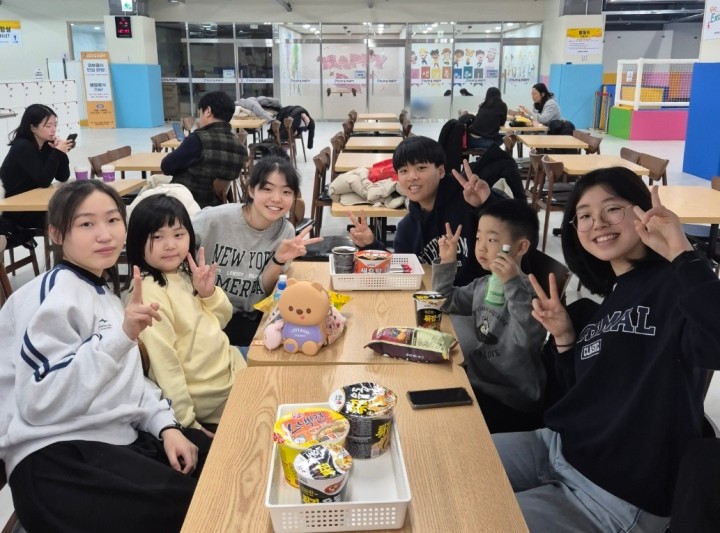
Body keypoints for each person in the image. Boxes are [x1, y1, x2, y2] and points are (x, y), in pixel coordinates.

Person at [493, 167, 720, 532]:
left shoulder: (676, 282)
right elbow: (587, 391)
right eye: (584, 215)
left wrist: (682, 252)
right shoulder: (617, 292)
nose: (597, 222)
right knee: (445, 464)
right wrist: (565, 339)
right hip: (560, 447)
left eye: (612, 208)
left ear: (642, 211)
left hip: (613, 496)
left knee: (472, 517)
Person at [0, 180, 211, 533]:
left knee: (225, 462)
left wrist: (166, 426)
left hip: (115, 441)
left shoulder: (106, 298)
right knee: (207, 507)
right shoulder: (49, 296)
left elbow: (129, 379)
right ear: (56, 234)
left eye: (113, 220)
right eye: (86, 224)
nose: (105, 235)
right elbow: (39, 401)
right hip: (56, 461)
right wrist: (121, 337)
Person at [126, 194, 247, 437]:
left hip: (231, 366)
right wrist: (188, 424)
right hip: (212, 395)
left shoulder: (183, 273)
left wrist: (208, 293)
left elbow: (223, 320)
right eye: (157, 237)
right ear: (138, 242)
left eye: (178, 234)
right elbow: (164, 365)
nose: (170, 245)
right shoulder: (149, 293)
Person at [433, 199, 546, 433]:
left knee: (444, 427)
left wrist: (512, 284)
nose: (482, 248)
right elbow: (445, 301)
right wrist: (447, 261)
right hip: (479, 382)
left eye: (492, 240)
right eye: (478, 238)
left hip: (512, 399)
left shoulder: (530, 294)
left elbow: (528, 340)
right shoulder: (483, 284)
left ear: (521, 247)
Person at [192, 156, 322, 347]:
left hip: (249, 319)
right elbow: (173, 239)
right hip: (206, 314)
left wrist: (278, 260)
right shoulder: (214, 219)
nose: (276, 198)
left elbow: (261, 294)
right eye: (267, 189)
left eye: (286, 191)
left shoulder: (285, 231)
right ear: (251, 190)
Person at [348, 136, 500, 287]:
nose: (412, 177)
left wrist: (486, 204)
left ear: (441, 171)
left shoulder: (469, 202)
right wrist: (370, 245)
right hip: (433, 296)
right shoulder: (407, 228)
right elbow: (401, 268)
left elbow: (510, 232)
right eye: (403, 171)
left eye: (421, 168)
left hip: (481, 297)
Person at [161, 90, 247, 209]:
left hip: (183, 204)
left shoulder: (197, 140)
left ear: (207, 111)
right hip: (214, 207)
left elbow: (166, 166)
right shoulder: (240, 148)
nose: (199, 118)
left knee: (152, 183)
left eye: (200, 113)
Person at [0, 103, 73, 229]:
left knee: (72, 210)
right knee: (68, 216)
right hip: (16, 210)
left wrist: (61, 153)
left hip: (32, 202)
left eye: (55, 125)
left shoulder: (46, 145)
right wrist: (57, 153)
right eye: (48, 126)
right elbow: (44, 181)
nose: (53, 129)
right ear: (33, 128)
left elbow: (63, 176)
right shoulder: (22, 147)